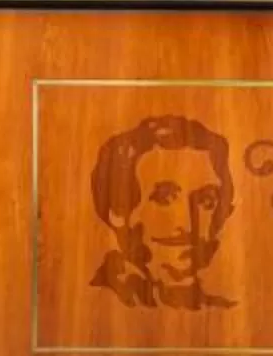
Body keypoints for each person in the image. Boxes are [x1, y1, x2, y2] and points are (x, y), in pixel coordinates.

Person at [88, 114, 238, 310]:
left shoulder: (220, 311)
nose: (187, 224)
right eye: (164, 198)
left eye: (206, 201)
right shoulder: (91, 310)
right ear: (118, 213)